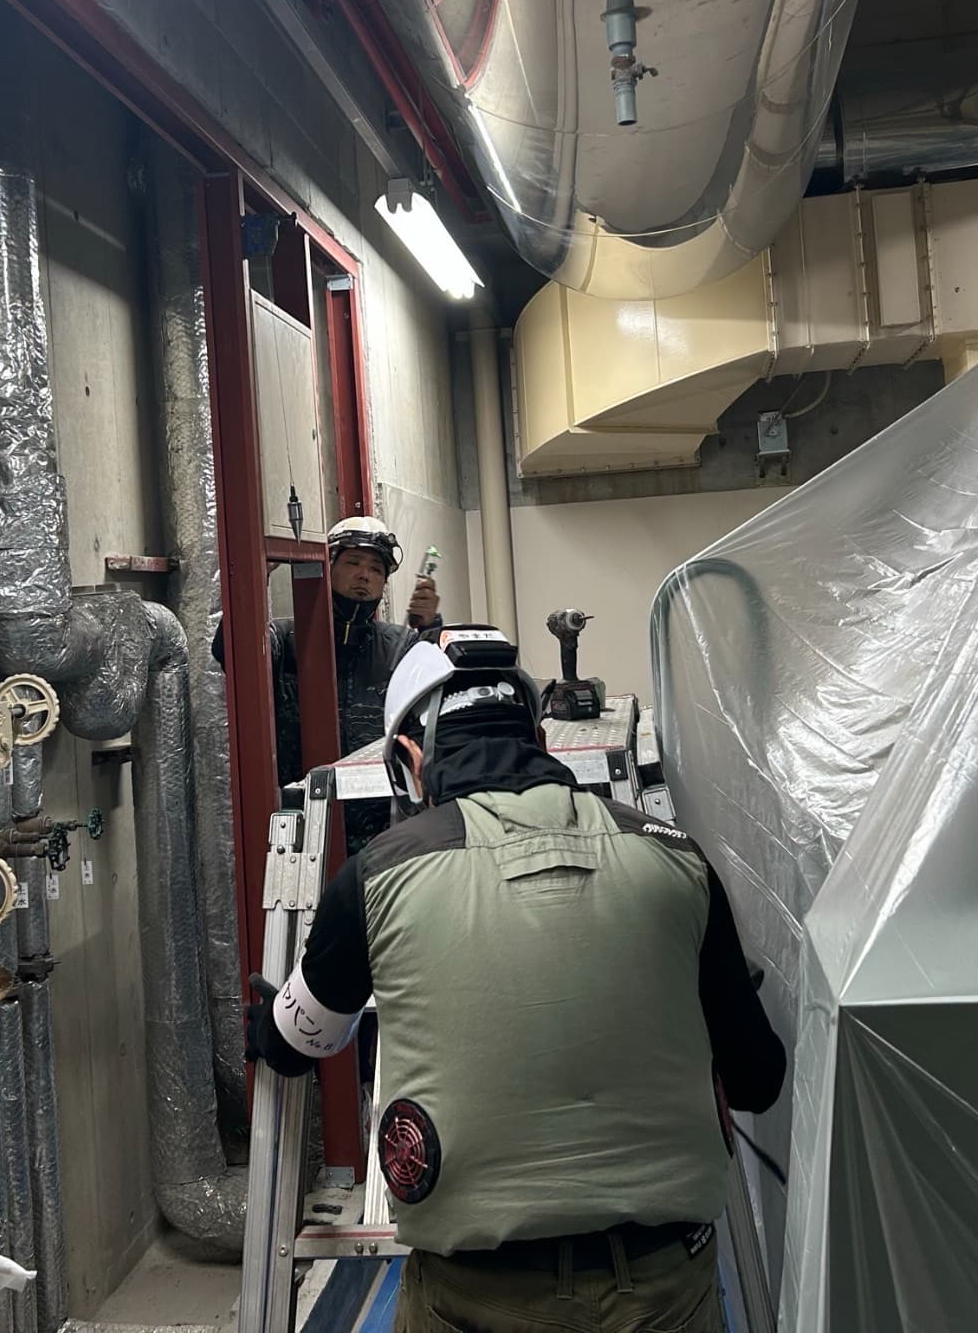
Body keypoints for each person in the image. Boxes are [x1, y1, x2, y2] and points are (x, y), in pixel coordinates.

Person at [246, 628, 786, 1333]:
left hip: (475, 1298)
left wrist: (267, 1019)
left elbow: (298, 1043)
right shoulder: (677, 858)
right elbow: (758, 1080)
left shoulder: (377, 875)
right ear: (538, 738)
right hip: (666, 1290)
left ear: (410, 759)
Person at [213, 516, 440, 853]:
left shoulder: (400, 646)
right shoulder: (284, 639)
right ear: (328, 566)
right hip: (300, 830)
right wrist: (253, 581)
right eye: (353, 562)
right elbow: (232, 654)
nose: (364, 575)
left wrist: (431, 627)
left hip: (382, 831)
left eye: (376, 569)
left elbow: (437, 697)